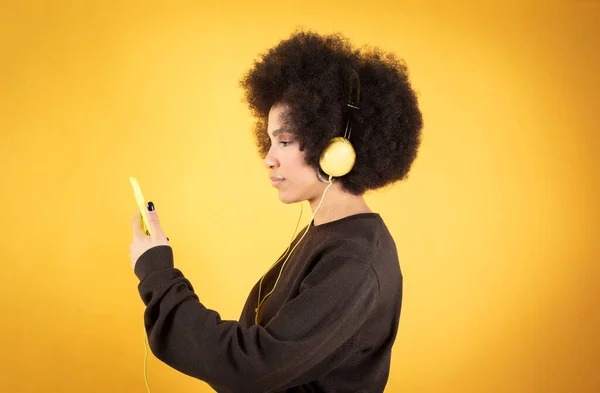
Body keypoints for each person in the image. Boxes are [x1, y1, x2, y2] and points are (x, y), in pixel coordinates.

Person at [129, 29, 423, 393]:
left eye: (285, 141)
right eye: (269, 141)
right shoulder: (330, 234)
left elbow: (250, 368)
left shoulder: (355, 260)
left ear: (336, 149)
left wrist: (158, 274)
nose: (268, 159)